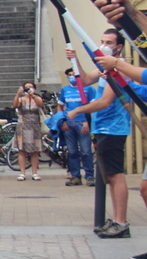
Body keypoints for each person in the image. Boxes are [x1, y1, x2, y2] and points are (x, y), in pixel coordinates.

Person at [67, 43, 143, 239]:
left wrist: (78, 110)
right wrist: (75, 59)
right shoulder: (104, 68)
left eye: (109, 42)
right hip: (101, 127)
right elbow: (84, 80)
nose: (103, 45)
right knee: (110, 176)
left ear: (118, 47)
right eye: (102, 41)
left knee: (116, 175)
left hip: (113, 128)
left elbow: (105, 101)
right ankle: (117, 220)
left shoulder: (119, 69)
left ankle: (121, 222)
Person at [57, 66, 95, 186]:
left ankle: (90, 176)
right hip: (69, 124)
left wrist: (88, 121)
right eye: (69, 75)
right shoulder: (65, 90)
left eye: (74, 74)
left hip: (83, 123)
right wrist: (62, 120)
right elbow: (60, 106)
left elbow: (93, 106)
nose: (72, 77)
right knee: (72, 152)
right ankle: (75, 176)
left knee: (86, 151)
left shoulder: (88, 89)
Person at [13, 81, 44, 181]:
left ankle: (35, 172)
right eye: (27, 87)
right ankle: (22, 173)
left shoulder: (37, 98)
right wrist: (18, 93)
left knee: (35, 151)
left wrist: (33, 95)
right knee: (22, 151)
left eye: (31, 87)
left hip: (35, 126)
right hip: (23, 126)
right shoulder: (21, 99)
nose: (29, 89)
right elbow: (15, 105)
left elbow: (40, 104)